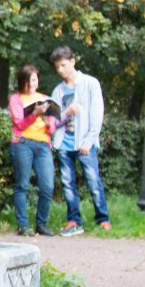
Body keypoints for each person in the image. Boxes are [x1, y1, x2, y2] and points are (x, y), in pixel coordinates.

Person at [49, 46, 111, 236]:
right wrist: (66, 113)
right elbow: (53, 122)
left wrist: (89, 140)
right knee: (68, 184)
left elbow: (97, 114)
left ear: (73, 62)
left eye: (64, 65)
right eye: (57, 67)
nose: (60, 70)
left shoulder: (90, 84)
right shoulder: (58, 91)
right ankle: (74, 221)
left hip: (84, 143)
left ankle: (103, 219)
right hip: (64, 145)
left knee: (93, 181)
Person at [8, 64, 56, 237]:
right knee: (22, 185)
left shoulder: (44, 98)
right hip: (22, 143)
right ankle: (23, 225)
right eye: (29, 80)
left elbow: (52, 125)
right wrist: (34, 114)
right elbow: (19, 123)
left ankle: (41, 224)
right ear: (23, 82)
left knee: (47, 186)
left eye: (35, 79)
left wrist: (50, 124)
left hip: (43, 144)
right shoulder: (16, 99)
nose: (33, 83)